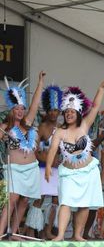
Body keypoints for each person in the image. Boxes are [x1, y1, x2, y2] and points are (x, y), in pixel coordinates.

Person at [45, 79, 104, 241]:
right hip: (69, 173)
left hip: (88, 172)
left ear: (78, 114)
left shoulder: (85, 126)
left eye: (72, 112)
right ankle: (60, 235)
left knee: (84, 204)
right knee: (66, 202)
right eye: (67, 112)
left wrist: (101, 88)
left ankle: (77, 234)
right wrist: (48, 167)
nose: (69, 114)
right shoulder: (59, 132)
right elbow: (53, 150)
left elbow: (95, 107)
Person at [0, 72, 45, 240]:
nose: (20, 111)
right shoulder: (4, 127)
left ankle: (15, 233)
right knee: (12, 199)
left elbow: (34, 105)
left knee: (25, 201)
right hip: (14, 169)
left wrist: (40, 83)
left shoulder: (28, 123)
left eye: (22, 108)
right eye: (16, 108)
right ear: (11, 110)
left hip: (31, 168)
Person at [25, 85, 63, 239]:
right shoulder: (42, 127)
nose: (53, 113)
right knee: (39, 199)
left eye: (56, 110)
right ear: (47, 111)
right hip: (42, 168)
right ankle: (31, 231)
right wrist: (46, 160)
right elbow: (33, 150)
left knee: (55, 200)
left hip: (56, 170)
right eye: (51, 110)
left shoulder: (61, 128)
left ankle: (47, 230)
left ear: (59, 112)